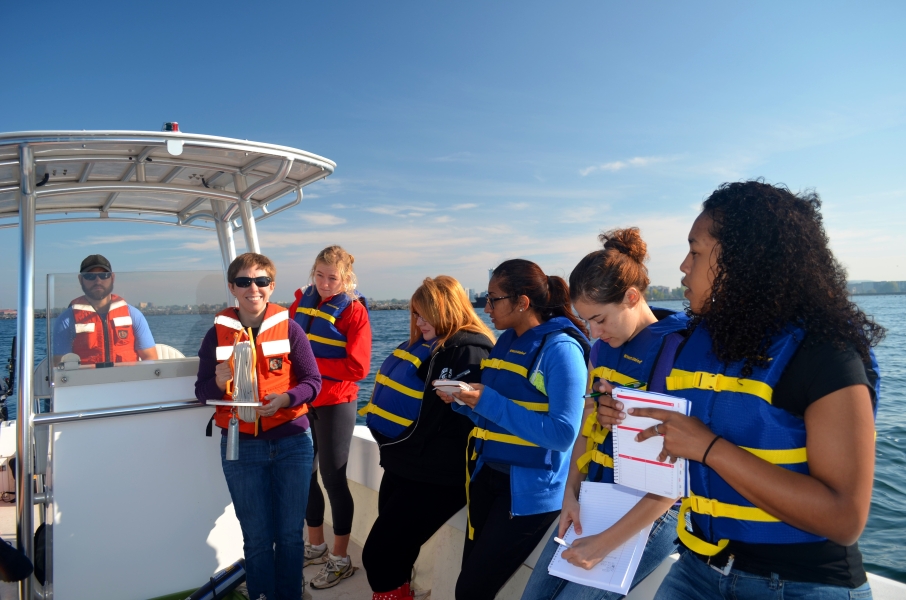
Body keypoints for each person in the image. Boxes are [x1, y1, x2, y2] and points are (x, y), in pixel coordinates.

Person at [600, 182, 883, 599]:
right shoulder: (698, 342)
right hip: (697, 571)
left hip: (801, 584)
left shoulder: (824, 352)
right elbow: (682, 443)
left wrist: (708, 448)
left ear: (743, 260)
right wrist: (630, 417)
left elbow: (844, 518)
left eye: (694, 252)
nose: (682, 266)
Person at [521, 228, 686, 600]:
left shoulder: (678, 353)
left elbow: (676, 476)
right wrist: (571, 496)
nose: (594, 333)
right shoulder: (601, 352)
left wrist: (604, 544)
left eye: (600, 319)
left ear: (631, 298)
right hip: (598, 494)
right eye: (586, 321)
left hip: (656, 511)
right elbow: (585, 431)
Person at [437, 259, 590, 600]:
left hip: (529, 493)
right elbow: (499, 419)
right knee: (471, 582)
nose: (486, 307)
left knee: (471, 590)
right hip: (487, 477)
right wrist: (466, 403)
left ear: (522, 302)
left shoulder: (560, 350)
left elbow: (564, 433)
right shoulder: (506, 342)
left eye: (494, 299)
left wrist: (486, 401)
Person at [359, 276, 496, 600]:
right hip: (403, 465)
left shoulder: (470, 352)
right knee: (397, 556)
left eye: (425, 314)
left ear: (445, 310)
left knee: (378, 556)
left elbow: (457, 422)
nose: (418, 322)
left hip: (436, 477)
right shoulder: (435, 348)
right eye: (415, 314)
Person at [195, 252, 322, 600]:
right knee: (257, 534)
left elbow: (313, 381)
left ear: (272, 286)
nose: (254, 288)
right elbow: (201, 392)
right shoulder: (216, 335)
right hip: (242, 446)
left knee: (291, 533)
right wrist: (219, 383)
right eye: (245, 282)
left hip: (293, 442)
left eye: (261, 281)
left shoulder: (291, 327)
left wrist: (287, 399)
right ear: (233, 288)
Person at [289, 245, 371, 590]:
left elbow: (359, 367)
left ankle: (341, 558)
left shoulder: (354, 313)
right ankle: (317, 546)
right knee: (304, 474)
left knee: (333, 478)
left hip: (337, 401)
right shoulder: (299, 302)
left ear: (346, 278)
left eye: (332, 278)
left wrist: (309, 366)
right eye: (319, 276)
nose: (324, 283)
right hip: (303, 400)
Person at [53, 254, 158, 364]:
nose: (98, 281)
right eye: (90, 276)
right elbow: (60, 367)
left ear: (112, 278)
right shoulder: (66, 320)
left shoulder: (134, 315)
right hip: (88, 381)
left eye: (104, 275)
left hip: (127, 380)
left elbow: (150, 359)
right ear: (80, 280)